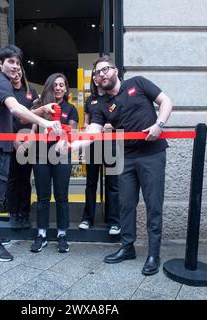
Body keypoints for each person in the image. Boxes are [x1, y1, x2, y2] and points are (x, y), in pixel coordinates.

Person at [62, 55, 173, 276]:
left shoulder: (138, 83)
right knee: (125, 205)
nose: (101, 74)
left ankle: (153, 254)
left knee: (153, 205)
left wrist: (159, 125)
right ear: (95, 81)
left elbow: (166, 102)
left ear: (115, 71)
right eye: (97, 73)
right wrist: (72, 146)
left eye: (105, 70)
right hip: (126, 158)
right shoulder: (101, 105)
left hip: (152, 154)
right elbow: (93, 132)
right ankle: (127, 247)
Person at [0, 45, 60, 262]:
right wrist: (45, 122)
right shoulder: (0, 83)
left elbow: (20, 118)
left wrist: (40, 111)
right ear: (0, 64)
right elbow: (15, 109)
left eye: (17, 62)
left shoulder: (2, 84)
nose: (15, 66)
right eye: (10, 62)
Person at [29, 73, 79, 254]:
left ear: (66, 88)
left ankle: (62, 235)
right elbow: (32, 128)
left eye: (62, 85)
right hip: (40, 155)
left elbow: (72, 130)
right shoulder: (39, 106)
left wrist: (63, 136)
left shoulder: (71, 109)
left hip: (61, 156)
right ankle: (41, 234)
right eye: (55, 85)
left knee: (61, 196)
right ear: (49, 86)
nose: (58, 88)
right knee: (42, 196)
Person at [78, 69, 120, 235]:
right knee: (91, 183)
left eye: (102, 74)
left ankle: (114, 222)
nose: (99, 77)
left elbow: (123, 121)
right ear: (94, 80)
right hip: (93, 146)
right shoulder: (90, 100)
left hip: (111, 145)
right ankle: (87, 219)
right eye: (96, 76)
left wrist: (114, 126)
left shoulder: (115, 97)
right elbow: (86, 124)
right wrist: (86, 128)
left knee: (113, 185)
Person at [7, 65, 38, 230]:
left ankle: (25, 214)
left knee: (25, 180)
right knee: (12, 179)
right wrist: (14, 141)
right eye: (15, 71)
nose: (17, 73)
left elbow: (35, 116)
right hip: (11, 143)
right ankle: (13, 213)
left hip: (28, 142)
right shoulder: (6, 92)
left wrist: (31, 136)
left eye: (20, 71)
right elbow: (4, 118)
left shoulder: (31, 91)